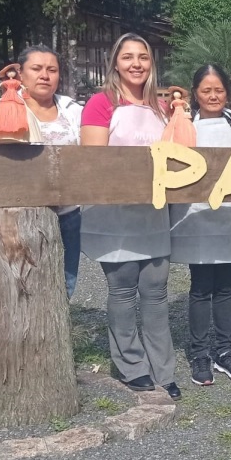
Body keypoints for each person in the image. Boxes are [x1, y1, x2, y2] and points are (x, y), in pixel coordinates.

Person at [80, 33, 180, 401]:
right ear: (116, 63)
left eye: (143, 57)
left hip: (153, 216)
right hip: (115, 216)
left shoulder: (163, 108)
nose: (136, 64)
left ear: (151, 63)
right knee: (122, 291)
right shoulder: (101, 104)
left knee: (156, 293)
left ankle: (163, 369)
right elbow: (95, 161)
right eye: (128, 57)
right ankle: (131, 366)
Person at [0, 45, 83, 297]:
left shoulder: (73, 110)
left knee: (65, 285)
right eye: (36, 68)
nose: (45, 75)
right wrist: (7, 160)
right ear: (20, 73)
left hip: (68, 213)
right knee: (19, 290)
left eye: (52, 70)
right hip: (16, 215)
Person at [169, 65, 231, 386]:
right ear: (195, 93)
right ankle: (199, 352)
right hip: (197, 217)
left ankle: (224, 349)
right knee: (201, 285)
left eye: (218, 90)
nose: (213, 96)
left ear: (227, 92)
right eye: (206, 90)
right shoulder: (184, 124)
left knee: (225, 285)